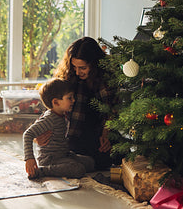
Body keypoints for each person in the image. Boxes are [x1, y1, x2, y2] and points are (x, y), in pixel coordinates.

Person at [52, 36, 118, 170]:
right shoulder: (70, 77)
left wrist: (106, 134)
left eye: (82, 68)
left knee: (116, 155)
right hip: (72, 134)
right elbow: (54, 105)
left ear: (94, 64)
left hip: (97, 132)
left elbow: (111, 110)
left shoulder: (106, 79)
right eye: (74, 67)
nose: (77, 72)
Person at [23, 78, 95, 179]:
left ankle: (66, 163)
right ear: (56, 102)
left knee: (90, 162)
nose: (73, 100)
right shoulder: (50, 119)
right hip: (50, 159)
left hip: (63, 154)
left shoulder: (62, 114)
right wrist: (29, 158)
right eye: (69, 98)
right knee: (78, 169)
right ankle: (43, 170)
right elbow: (28, 134)